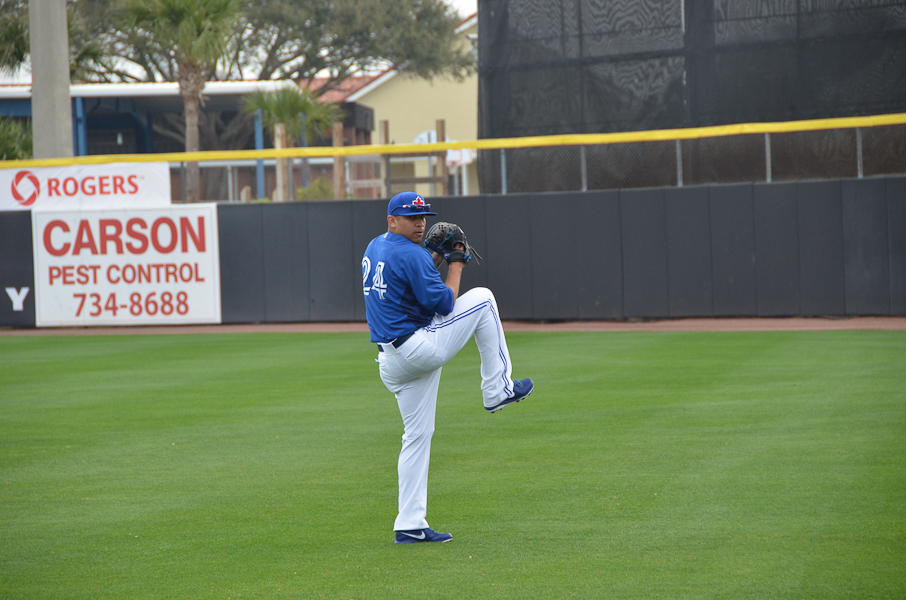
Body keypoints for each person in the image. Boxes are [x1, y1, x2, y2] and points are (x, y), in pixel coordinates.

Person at [361, 191, 534, 545]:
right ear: (392, 220)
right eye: (411, 217)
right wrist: (455, 263)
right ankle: (497, 389)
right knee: (483, 298)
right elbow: (443, 305)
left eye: (423, 216)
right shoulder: (411, 253)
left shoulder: (375, 246)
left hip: (390, 362)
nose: (420, 222)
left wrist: (435, 257)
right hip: (416, 350)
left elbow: (410, 287)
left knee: (417, 438)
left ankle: (409, 523)